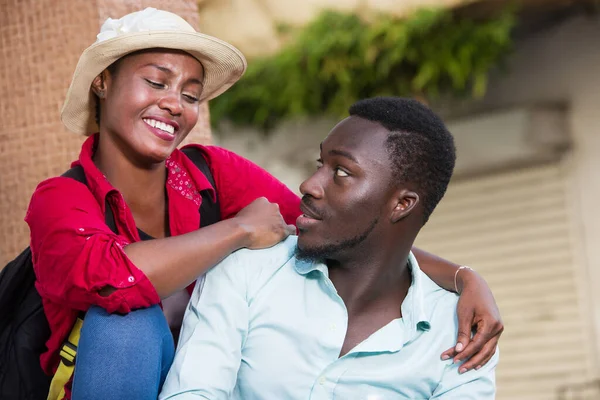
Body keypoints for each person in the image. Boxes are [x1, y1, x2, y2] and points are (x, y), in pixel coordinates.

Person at [24, 8, 501, 400]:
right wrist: (236, 231)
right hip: (113, 383)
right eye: (156, 82)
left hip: (205, 377)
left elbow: (338, 226)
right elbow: (113, 280)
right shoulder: (62, 199)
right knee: (126, 325)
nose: (176, 104)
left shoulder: (211, 173)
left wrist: (462, 278)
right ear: (103, 82)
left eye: (190, 94)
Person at [160, 97, 498, 399]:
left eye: (341, 172)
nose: (308, 185)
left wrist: (467, 278)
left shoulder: (459, 336)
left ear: (402, 204)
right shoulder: (246, 272)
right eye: (319, 163)